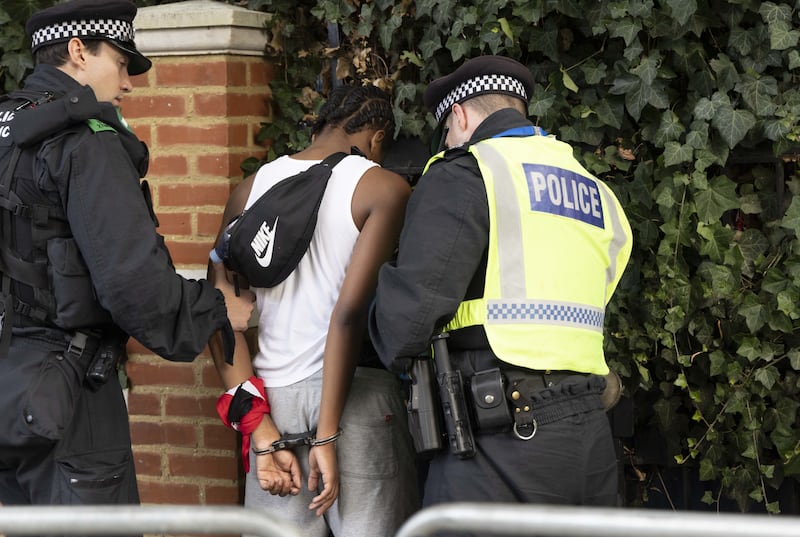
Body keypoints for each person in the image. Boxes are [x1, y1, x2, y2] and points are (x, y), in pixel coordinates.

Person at [0, 0, 253, 507]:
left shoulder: (9, 128)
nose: (129, 83)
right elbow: (135, 286)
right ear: (77, 51)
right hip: (68, 398)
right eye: (119, 62)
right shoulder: (85, 140)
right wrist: (218, 309)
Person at [369, 55, 633, 517]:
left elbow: (407, 323)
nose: (448, 142)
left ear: (460, 115)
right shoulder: (594, 189)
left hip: (503, 439)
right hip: (589, 433)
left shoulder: (468, 172)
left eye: (447, 133)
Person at [208, 85, 419, 536]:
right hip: (353, 400)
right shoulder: (381, 186)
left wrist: (259, 427)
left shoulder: (249, 190)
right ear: (377, 137)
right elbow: (348, 314)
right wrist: (326, 434)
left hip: (274, 403)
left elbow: (218, 318)